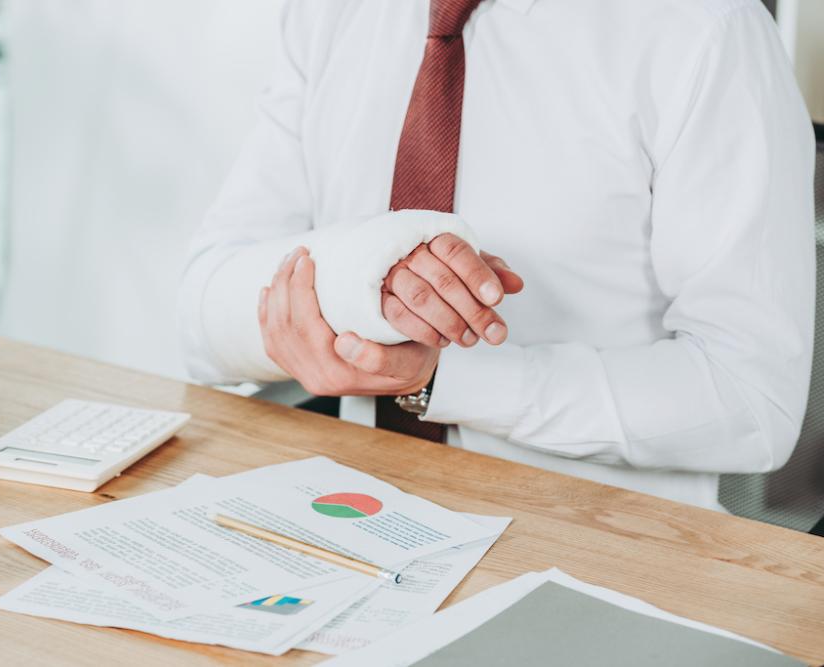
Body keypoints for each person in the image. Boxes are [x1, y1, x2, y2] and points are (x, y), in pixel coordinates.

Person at [179, 0, 816, 511]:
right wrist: (355, 285)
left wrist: (438, 380)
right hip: (347, 513)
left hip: (600, 549)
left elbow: (754, 401)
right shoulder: (330, 14)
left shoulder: (705, 32)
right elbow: (202, 321)